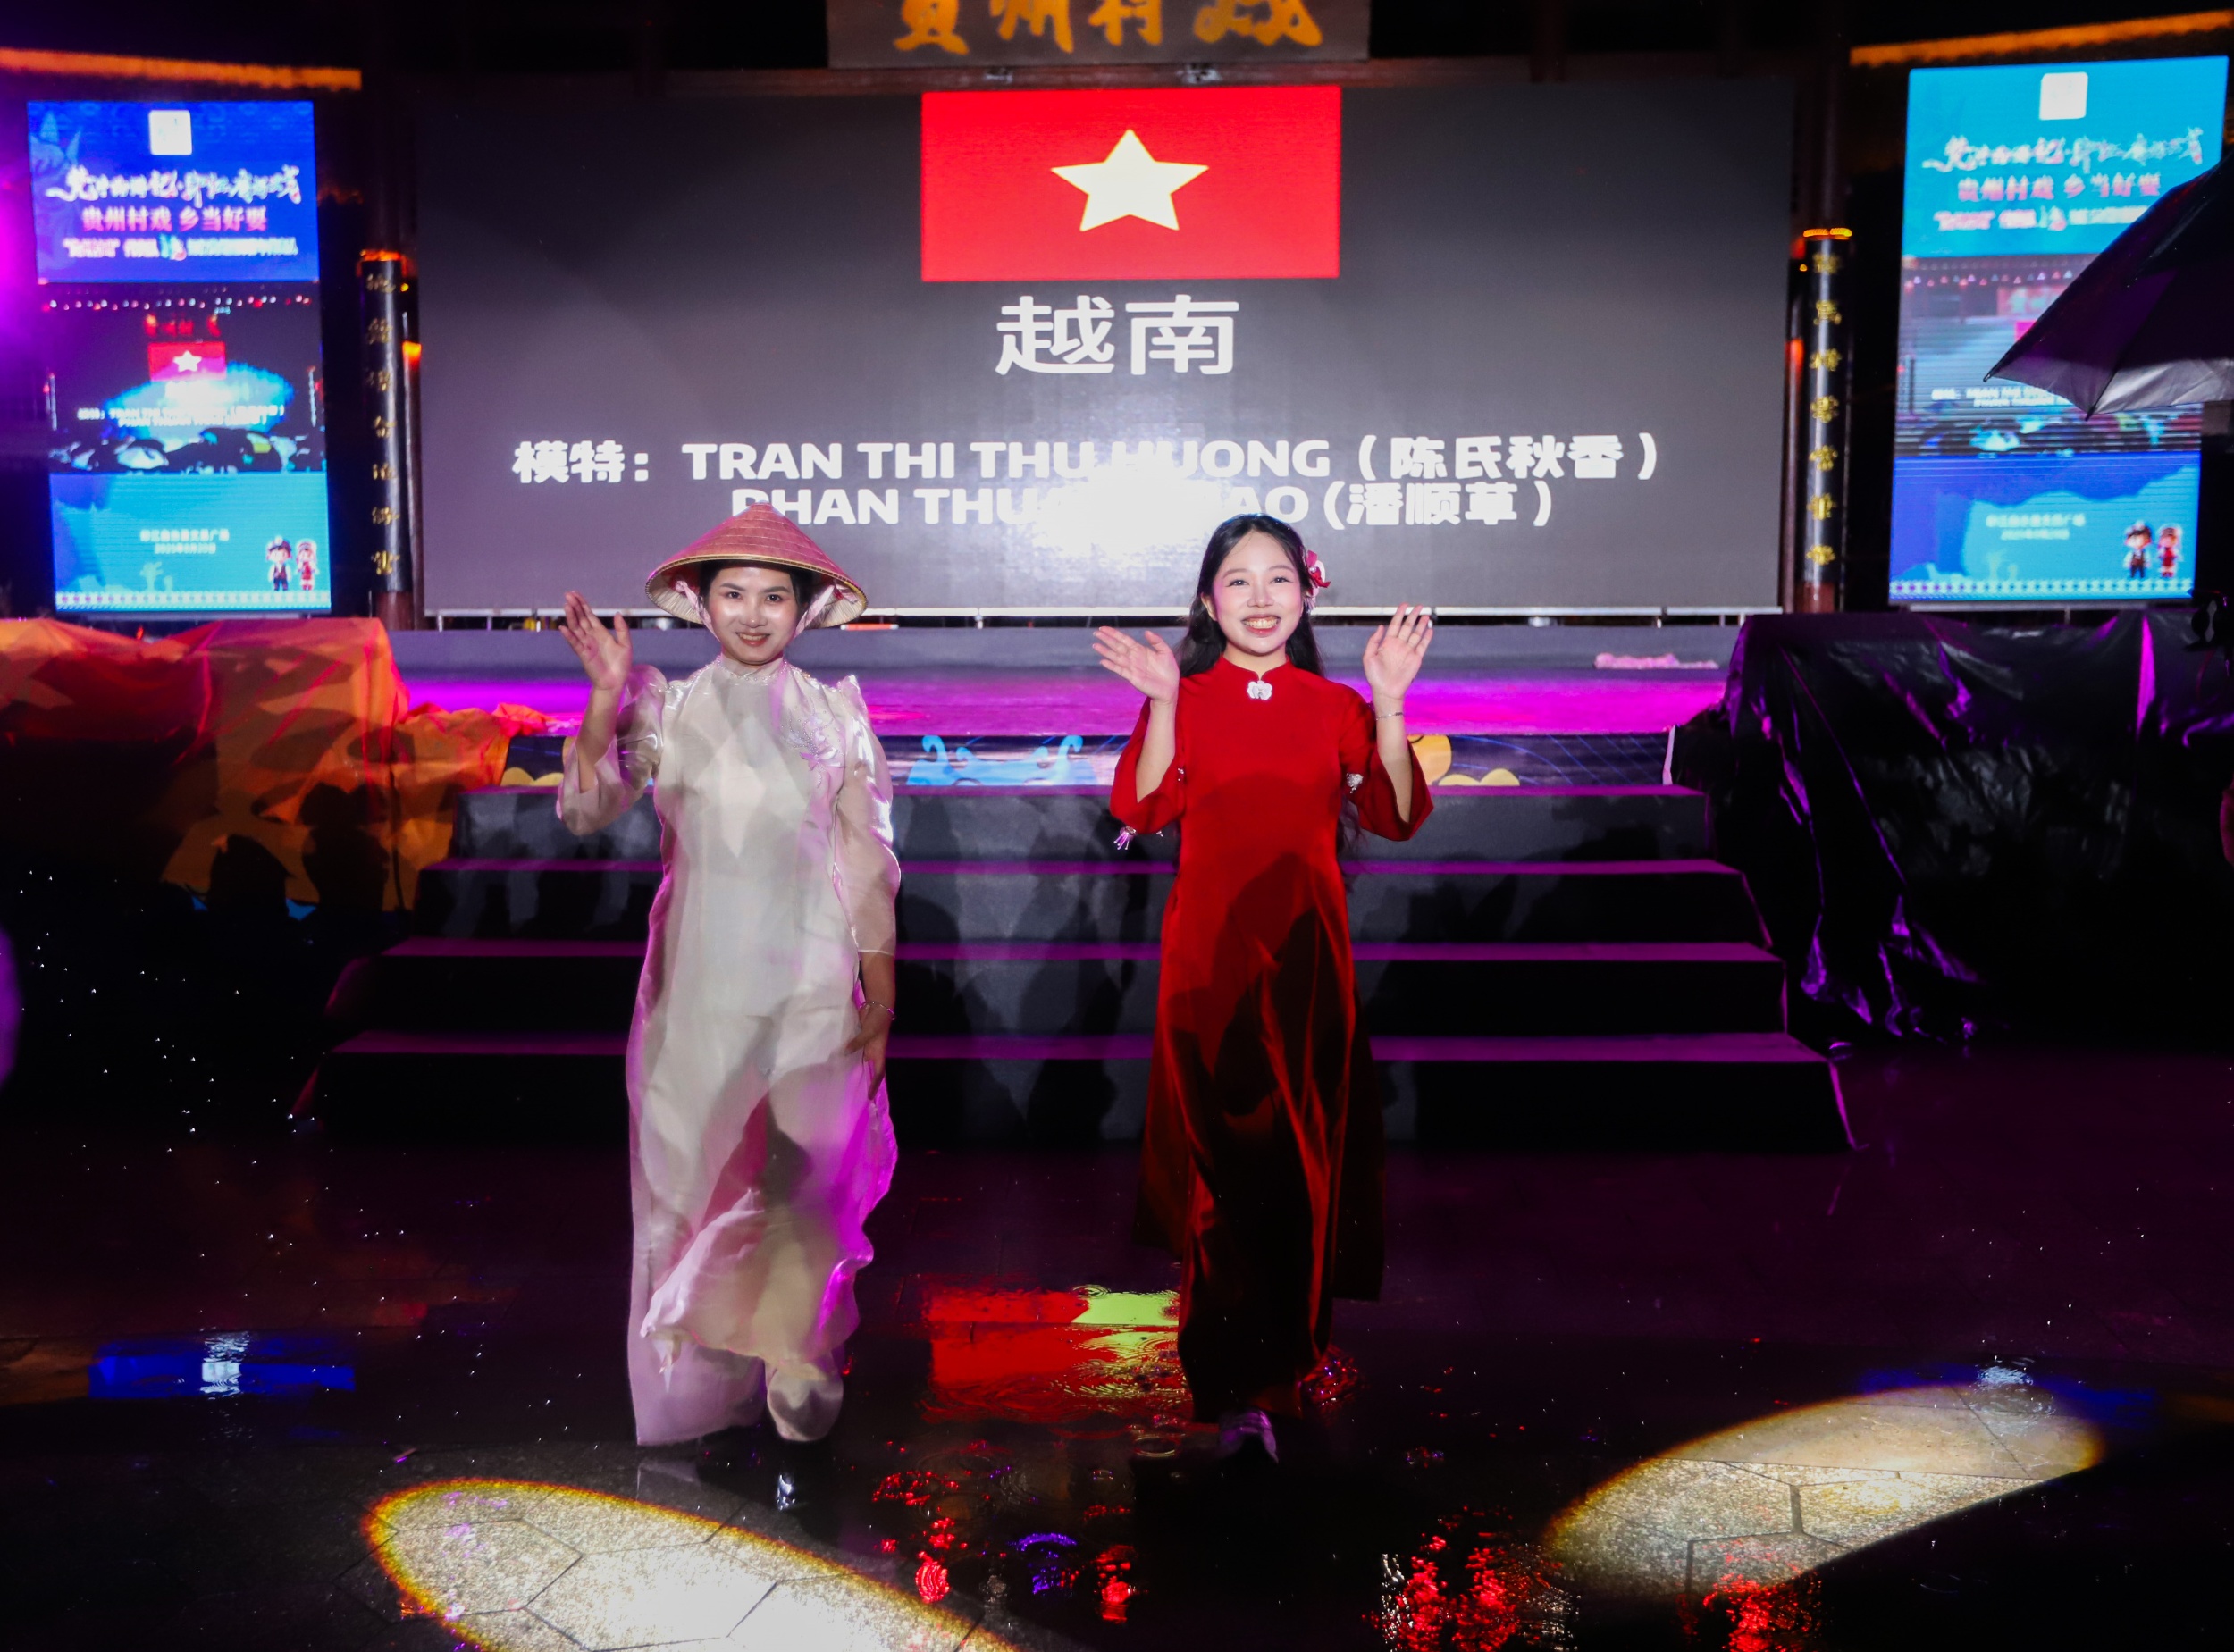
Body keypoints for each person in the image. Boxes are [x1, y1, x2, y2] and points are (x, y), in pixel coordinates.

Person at [1092, 514, 1434, 1465]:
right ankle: (1232, 1385)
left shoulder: (1333, 707)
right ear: (1208, 600)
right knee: (1219, 1183)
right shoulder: (1186, 696)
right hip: (1208, 968)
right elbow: (1140, 807)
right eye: (1236, 582)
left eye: (1275, 579)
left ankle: (1279, 1373)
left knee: (1299, 1177)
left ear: (1305, 594)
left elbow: (1397, 812)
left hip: (1307, 970)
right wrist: (1163, 702)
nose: (1257, 598)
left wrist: (1391, 702)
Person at [557, 502, 900, 1446]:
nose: (753, 612)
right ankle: (695, 1389)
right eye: (734, 593)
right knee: (691, 1180)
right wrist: (602, 697)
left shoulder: (835, 717)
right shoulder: (664, 708)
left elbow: (866, 861)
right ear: (701, 605)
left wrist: (882, 983)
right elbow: (586, 810)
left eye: (774, 596)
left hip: (813, 980)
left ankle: (794, 1351)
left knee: (803, 1177)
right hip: (697, 987)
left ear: (805, 609)